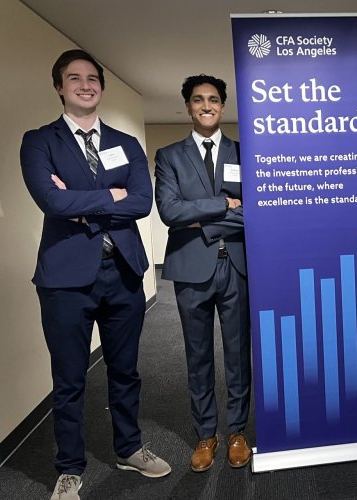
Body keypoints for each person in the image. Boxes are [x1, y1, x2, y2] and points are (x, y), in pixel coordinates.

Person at [20, 49, 171, 500]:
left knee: (125, 371)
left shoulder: (126, 143)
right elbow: (51, 201)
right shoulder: (39, 141)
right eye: (74, 78)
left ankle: (129, 448)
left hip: (123, 272)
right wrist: (111, 195)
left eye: (92, 79)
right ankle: (69, 468)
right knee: (69, 378)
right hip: (66, 279)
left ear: (101, 87)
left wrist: (82, 202)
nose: (85, 85)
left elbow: (141, 202)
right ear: (59, 87)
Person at [154, 75, 251, 472]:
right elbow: (170, 212)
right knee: (198, 356)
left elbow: (255, 213)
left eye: (213, 100)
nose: (206, 106)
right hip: (191, 269)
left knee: (238, 355)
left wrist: (206, 219)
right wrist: (225, 205)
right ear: (188, 107)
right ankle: (206, 434)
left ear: (223, 107)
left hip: (238, 267)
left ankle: (237, 432)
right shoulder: (169, 155)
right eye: (198, 100)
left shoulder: (247, 152)